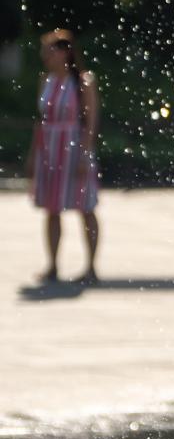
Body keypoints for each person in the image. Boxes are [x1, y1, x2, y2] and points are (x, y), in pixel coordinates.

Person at [27, 28, 101, 285]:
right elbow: (41, 120)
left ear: (64, 52)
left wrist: (84, 154)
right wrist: (32, 156)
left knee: (85, 208)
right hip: (49, 150)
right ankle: (53, 265)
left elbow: (90, 123)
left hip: (74, 149)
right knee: (52, 209)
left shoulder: (83, 82)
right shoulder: (46, 81)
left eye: (49, 50)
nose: (45, 55)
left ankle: (91, 267)